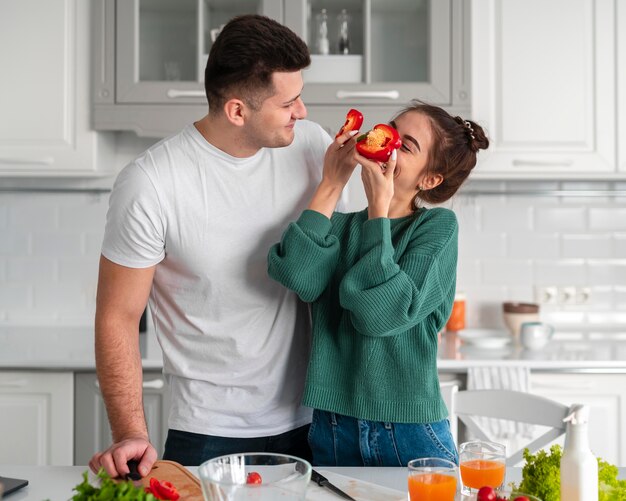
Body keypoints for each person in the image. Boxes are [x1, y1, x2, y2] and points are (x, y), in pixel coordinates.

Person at [89, 14, 352, 479]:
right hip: (207, 429)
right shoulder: (151, 182)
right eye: (288, 102)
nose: (303, 112)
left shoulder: (313, 147)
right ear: (237, 111)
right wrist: (130, 431)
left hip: (314, 418)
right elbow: (117, 316)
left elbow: (338, 267)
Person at [268, 100, 489, 466]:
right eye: (390, 129)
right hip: (332, 423)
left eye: (406, 145)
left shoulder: (437, 229)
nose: (387, 141)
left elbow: (382, 317)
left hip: (408, 429)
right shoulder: (341, 226)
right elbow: (296, 275)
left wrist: (378, 212)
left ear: (429, 180)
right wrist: (331, 182)